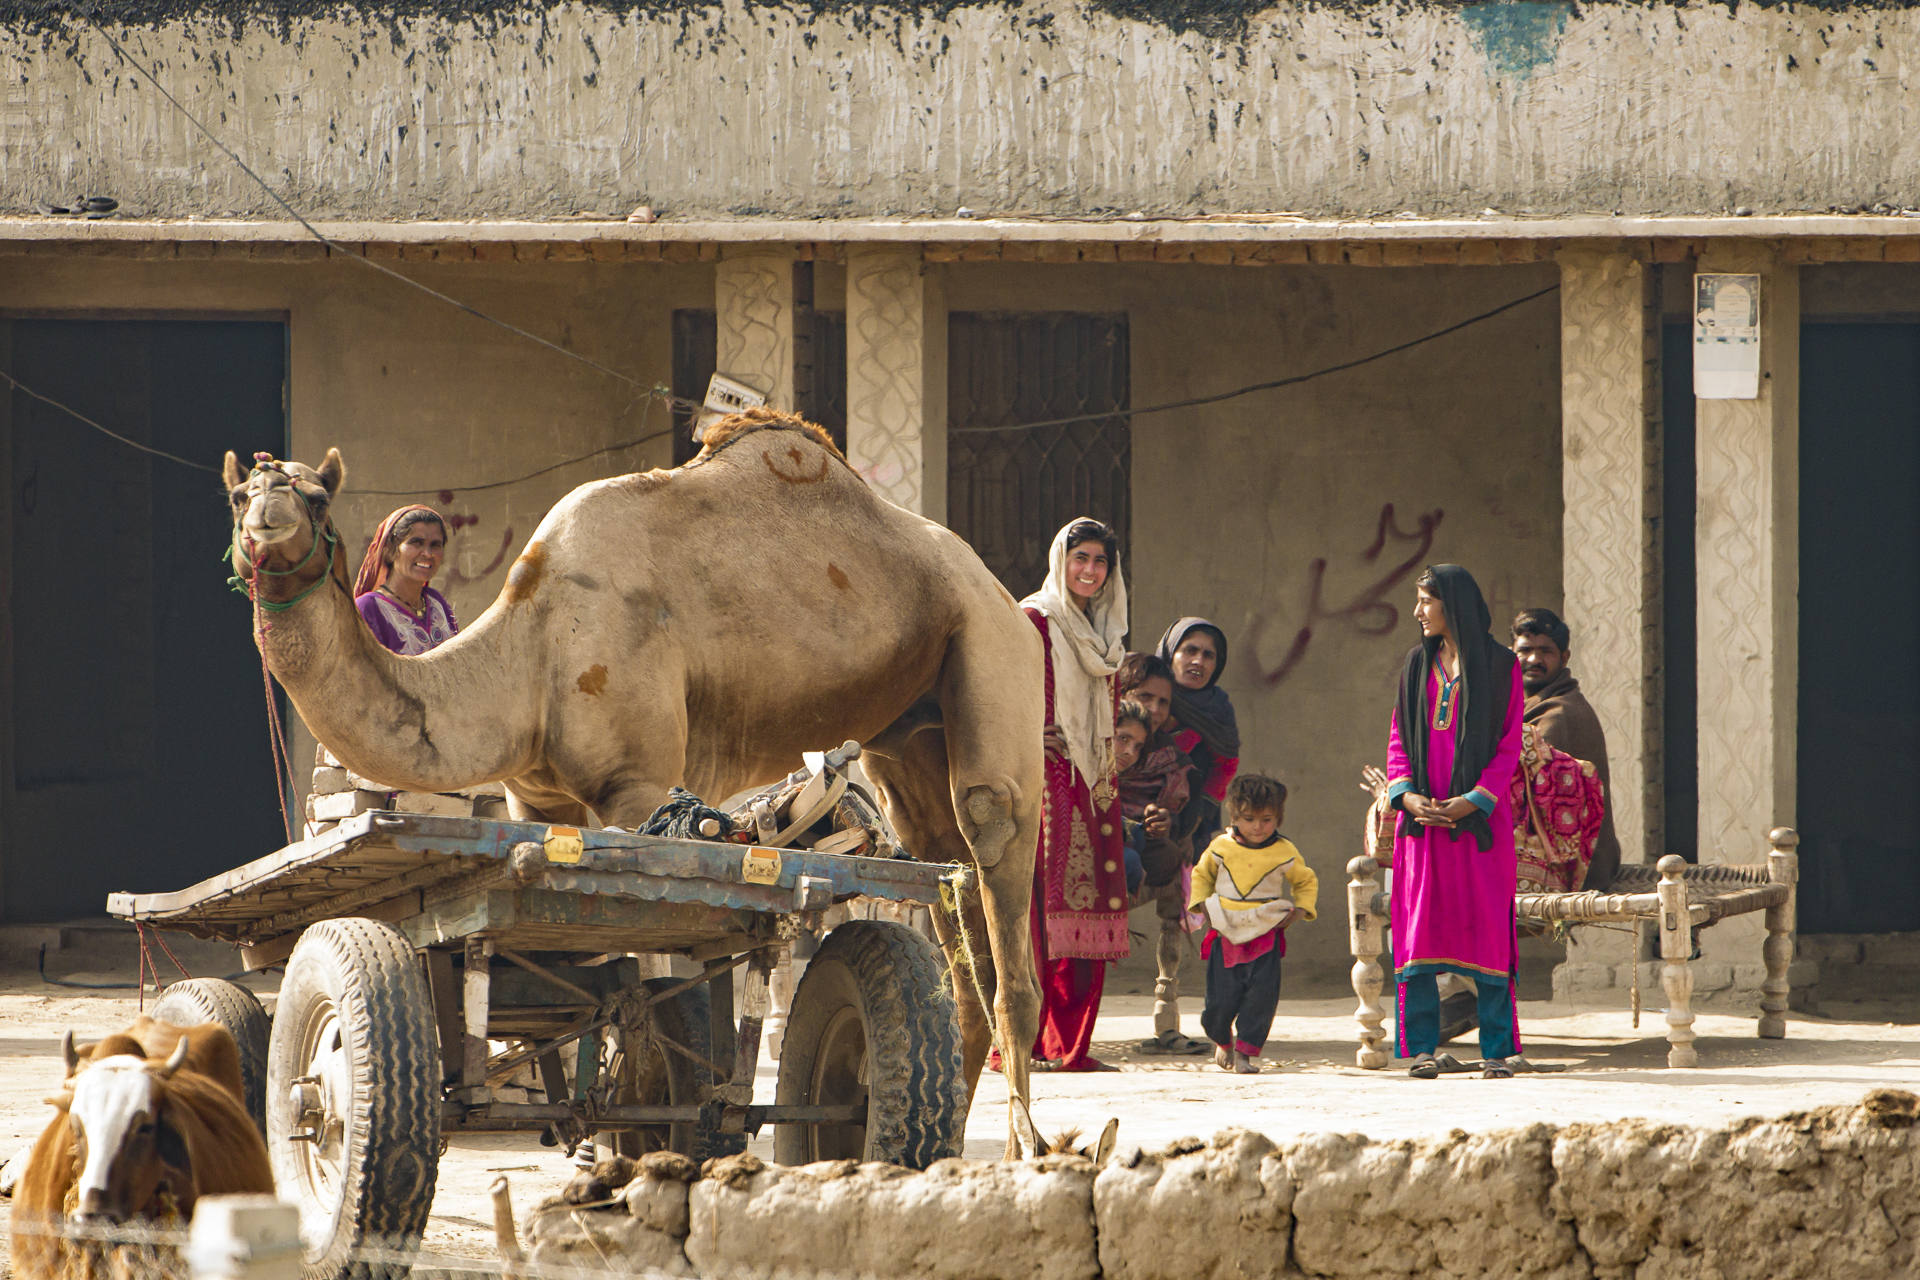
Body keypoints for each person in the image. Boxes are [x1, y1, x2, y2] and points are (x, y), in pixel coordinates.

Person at [1384, 565, 1526, 1080]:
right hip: (1423, 828)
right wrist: (1408, 797)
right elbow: (1399, 739)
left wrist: (1473, 800)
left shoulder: (1500, 666)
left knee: (1486, 927)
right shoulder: (1414, 667)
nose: (1418, 612)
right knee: (1420, 931)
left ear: (1453, 604)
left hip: (1478, 826)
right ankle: (1421, 1048)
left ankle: (1497, 1050)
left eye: (1426, 601)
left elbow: (1510, 743)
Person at [1013, 518, 1131, 1073]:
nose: (1089, 570)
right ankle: (1028, 1040)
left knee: (1094, 901)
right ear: (1062, 560)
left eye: (1099, 562)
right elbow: (996, 687)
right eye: (1080, 558)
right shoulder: (1034, 618)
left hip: (1097, 778)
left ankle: (1073, 1044)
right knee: (1040, 906)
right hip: (1046, 776)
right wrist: (1023, 733)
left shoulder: (1108, 636)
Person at [1189, 773, 1316, 1075]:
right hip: (1227, 934)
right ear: (1234, 815)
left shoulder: (1285, 850)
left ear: (1278, 818)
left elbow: (1305, 880)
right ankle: (1222, 1039)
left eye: (1267, 819)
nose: (1258, 827)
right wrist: (1205, 908)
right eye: (1248, 819)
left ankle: (1246, 1054)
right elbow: (1201, 876)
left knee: (1261, 999)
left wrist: (1300, 909)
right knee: (1219, 1003)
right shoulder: (1220, 847)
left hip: (1266, 934)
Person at [1115, 653, 1209, 1056]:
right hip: (1090, 848)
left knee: (1167, 857)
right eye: (1144, 697)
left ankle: (1165, 1021)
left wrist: (1162, 823)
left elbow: (1184, 815)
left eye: (1163, 702)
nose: (1154, 710)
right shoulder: (1093, 741)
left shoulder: (1170, 756)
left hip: (1135, 855)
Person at [1512, 608, 1620, 892]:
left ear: (1564, 657)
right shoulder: (1525, 706)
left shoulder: (1559, 714)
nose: (1534, 659)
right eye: (1525, 650)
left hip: (1576, 867)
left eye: (1546, 651)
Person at [1156, 619, 1240, 848]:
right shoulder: (1145, 691)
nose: (1198, 661)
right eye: (1190, 650)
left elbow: (1226, 763)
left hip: (1190, 823)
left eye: (1208, 655)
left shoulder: (1217, 708)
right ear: (1170, 652)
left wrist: (1197, 816)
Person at [353, 505, 459, 655]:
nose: (428, 554)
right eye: (416, 543)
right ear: (390, 550)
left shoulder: (436, 602)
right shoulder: (368, 608)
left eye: (435, 545)